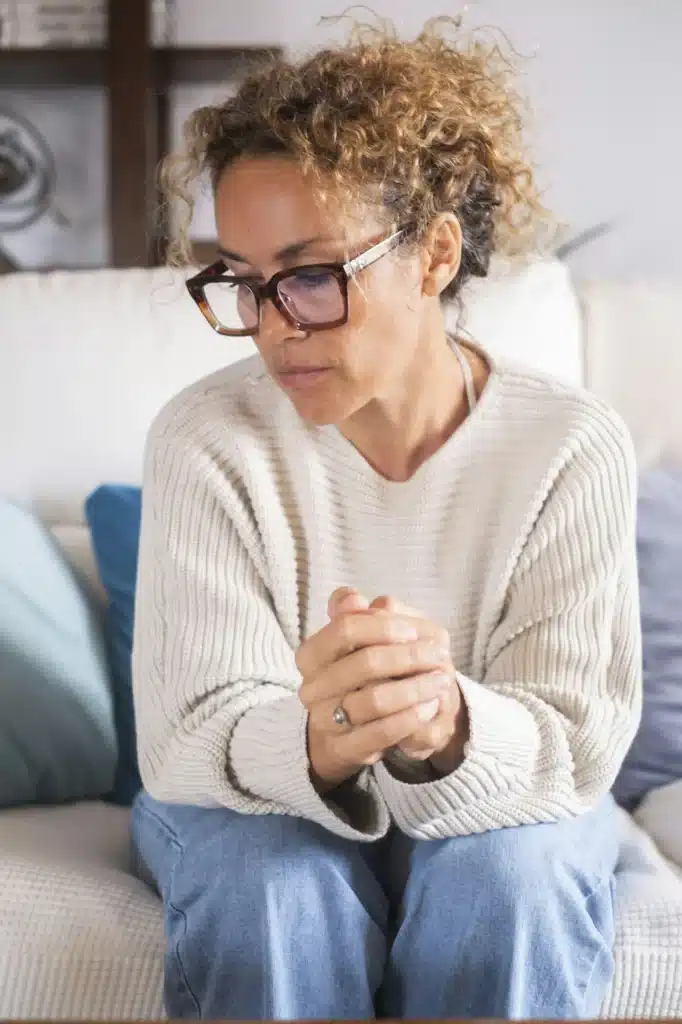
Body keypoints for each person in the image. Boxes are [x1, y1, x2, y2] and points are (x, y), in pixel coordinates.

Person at [130, 17, 642, 1021]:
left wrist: (442, 725)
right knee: (268, 890)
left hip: (506, 808)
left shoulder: (570, 444)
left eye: (313, 277)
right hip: (255, 809)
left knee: (505, 883)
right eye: (242, 279)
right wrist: (327, 734)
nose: (275, 325)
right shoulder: (205, 439)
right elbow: (190, 743)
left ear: (434, 255)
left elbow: (575, 745)